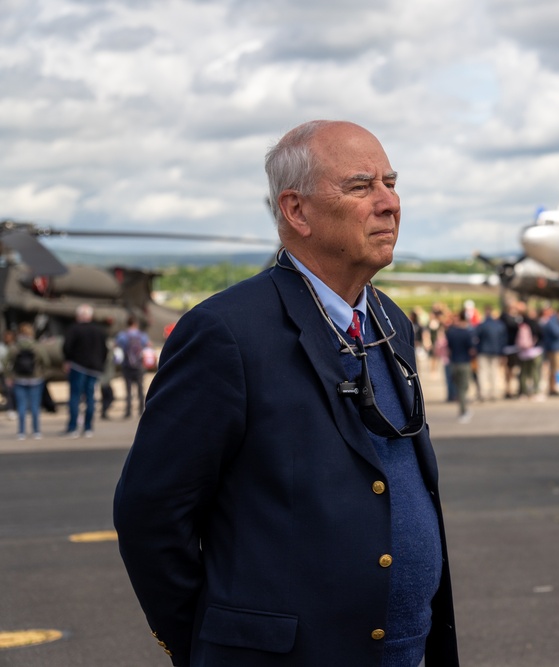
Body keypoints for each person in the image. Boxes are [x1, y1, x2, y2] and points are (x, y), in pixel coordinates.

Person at [114, 120, 459, 666]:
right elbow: (150, 513)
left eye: (391, 183)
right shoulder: (226, 332)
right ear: (296, 211)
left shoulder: (390, 321)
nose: (390, 202)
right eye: (361, 186)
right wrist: (209, 645)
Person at [62, 304, 108, 438]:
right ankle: (88, 427)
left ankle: (73, 427)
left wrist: (68, 360)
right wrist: (100, 363)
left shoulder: (74, 329)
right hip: (94, 368)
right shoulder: (99, 331)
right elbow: (105, 350)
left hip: (78, 366)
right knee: (90, 397)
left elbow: (67, 347)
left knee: (75, 397)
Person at [4, 322, 49, 440]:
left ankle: (21, 432)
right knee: (35, 406)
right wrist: (42, 373)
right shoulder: (36, 346)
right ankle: (36, 431)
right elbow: (46, 361)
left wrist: (9, 375)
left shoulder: (14, 346)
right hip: (35, 379)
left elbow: (5, 362)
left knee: (21, 406)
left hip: (19, 379)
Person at [115, 316, 151, 419]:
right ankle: (141, 410)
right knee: (140, 388)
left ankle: (128, 411)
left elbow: (116, 346)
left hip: (127, 365)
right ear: (136, 324)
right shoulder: (142, 335)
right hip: (139, 365)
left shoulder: (122, 335)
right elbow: (148, 345)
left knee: (128, 389)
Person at [445, 309, 477, 423]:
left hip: (453, 362)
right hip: (464, 362)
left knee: (459, 388)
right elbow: (472, 350)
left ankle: (462, 409)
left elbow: (448, 348)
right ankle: (463, 411)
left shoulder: (451, 332)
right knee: (464, 388)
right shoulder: (467, 333)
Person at [475, 304, 507, 401]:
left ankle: (484, 393)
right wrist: (502, 352)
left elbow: (476, 338)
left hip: (483, 351)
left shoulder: (482, 325)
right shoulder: (499, 325)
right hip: (495, 351)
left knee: (483, 373)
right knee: (494, 372)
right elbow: (503, 340)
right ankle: (494, 392)